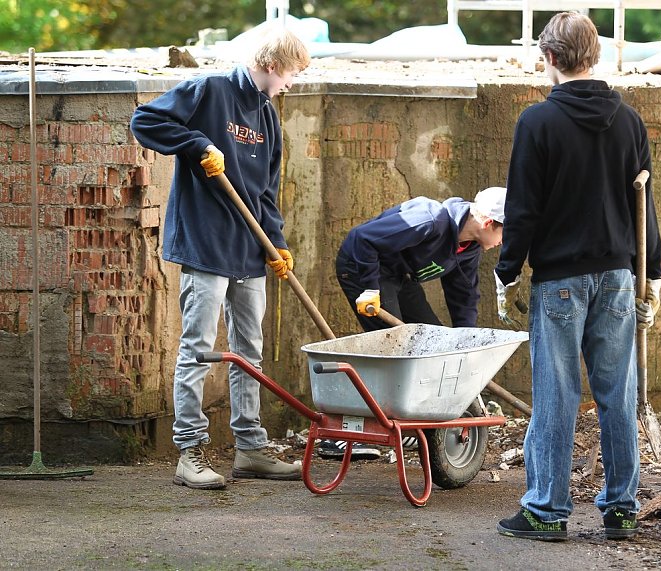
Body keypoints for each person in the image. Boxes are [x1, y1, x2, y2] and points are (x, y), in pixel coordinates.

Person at [494, 12, 661, 541]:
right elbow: (644, 205)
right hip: (617, 277)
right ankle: (621, 509)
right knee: (618, 394)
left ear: (549, 58)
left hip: (560, 282)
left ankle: (546, 510)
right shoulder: (629, 122)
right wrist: (651, 273)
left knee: (557, 396)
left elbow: (523, 209)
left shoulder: (537, 123)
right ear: (596, 54)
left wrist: (506, 272)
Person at [130, 25, 311, 490]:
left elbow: (266, 191)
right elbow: (145, 121)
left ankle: (250, 449)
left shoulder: (268, 117)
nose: (292, 82)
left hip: (251, 249)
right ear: (271, 65)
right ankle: (189, 451)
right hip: (207, 243)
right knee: (199, 349)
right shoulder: (209, 90)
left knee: (249, 351)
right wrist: (196, 145)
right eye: (291, 73)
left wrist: (277, 242)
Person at [318, 187, 507, 460]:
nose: (504, 242)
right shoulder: (430, 220)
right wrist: (370, 288)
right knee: (392, 346)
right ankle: (341, 434)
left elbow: (463, 297)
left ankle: (412, 426)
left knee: (434, 342)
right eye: (505, 233)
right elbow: (363, 239)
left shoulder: (468, 249)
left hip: (401, 277)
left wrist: (467, 344)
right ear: (488, 223)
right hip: (364, 267)